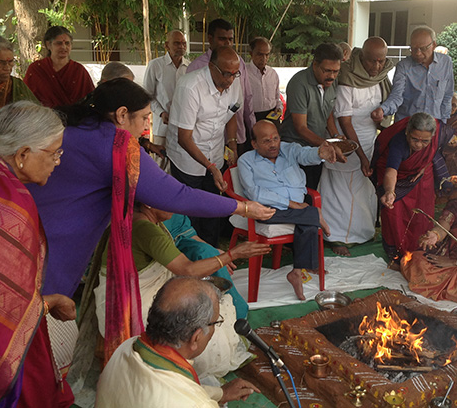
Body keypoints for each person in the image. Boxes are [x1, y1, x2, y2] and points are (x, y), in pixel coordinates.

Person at [27, 79, 274, 362]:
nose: (146, 127)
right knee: (35, 332)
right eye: (144, 118)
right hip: (52, 246)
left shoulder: (77, 130)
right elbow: (176, 195)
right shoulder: (113, 145)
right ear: (121, 115)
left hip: (30, 228)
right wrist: (242, 207)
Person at [0, 102, 75, 408]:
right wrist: (52, 302)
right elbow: (8, 306)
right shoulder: (11, 204)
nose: (58, 161)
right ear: (22, 155)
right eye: (54, 153)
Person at [95, 277, 260, 408]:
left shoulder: (127, 346)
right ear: (195, 337)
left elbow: (172, 391)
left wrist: (220, 394)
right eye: (215, 323)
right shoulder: (196, 405)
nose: (215, 329)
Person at [94, 202, 269, 325]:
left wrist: (219, 254)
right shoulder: (146, 230)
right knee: (204, 315)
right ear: (148, 203)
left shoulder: (144, 219)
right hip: (132, 304)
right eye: (169, 202)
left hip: (133, 292)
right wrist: (234, 254)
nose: (175, 207)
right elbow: (188, 269)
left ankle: (237, 311)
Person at [238, 120, 337, 300]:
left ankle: (296, 272)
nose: (273, 144)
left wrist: (318, 153)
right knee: (309, 216)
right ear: (254, 144)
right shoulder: (246, 161)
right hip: (268, 211)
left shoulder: (288, 150)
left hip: (298, 212)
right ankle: (315, 215)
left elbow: (305, 154)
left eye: (275, 138)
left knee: (306, 220)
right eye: (266, 141)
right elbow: (254, 193)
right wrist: (291, 203)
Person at [319, 37, 394, 256]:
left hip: (370, 137)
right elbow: (344, 120)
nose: (377, 66)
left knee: (363, 188)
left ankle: (362, 231)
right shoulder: (347, 77)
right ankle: (336, 236)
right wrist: (360, 155)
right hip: (346, 140)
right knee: (339, 190)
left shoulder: (380, 77)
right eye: (372, 61)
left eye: (381, 61)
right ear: (361, 58)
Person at [167, 45, 243, 247]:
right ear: (211, 67)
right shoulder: (190, 87)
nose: (230, 80)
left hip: (215, 155)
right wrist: (210, 167)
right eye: (227, 74)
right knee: (191, 212)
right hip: (187, 160)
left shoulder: (234, 82)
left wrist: (232, 145)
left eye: (235, 74)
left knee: (212, 208)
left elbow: (232, 113)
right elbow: (184, 138)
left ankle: (211, 254)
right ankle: (190, 260)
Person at [372, 112, 453, 269]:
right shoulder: (398, 142)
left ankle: (420, 252)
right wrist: (389, 192)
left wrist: (425, 164)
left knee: (422, 214)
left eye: (425, 141)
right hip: (397, 178)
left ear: (432, 137)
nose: (418, 145)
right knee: (393, 213)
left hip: (422, 176)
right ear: (407, 132)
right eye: (414, 139)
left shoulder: (438, 135)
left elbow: (439, 146)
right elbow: (391, 171)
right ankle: (397, 255)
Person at [280, 42, 345, 190]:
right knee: (297, 193)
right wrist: (329, 146)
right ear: (315, 64)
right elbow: (300, 128)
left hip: (317, 150)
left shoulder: (331, 82)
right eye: (327, 70)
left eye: (336, 71)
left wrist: (335, 135)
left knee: (312, 190)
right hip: (295, 150)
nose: (332, 76)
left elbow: (327, 111)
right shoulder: (299, 83)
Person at [186, 19, 255, 145]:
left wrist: (252, 129)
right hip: (204, 142)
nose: (227, 43)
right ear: (210, 39)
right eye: (222, 39)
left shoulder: (239, 63)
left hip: (237, 135)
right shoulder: (196, 68)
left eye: (230, 39)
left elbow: (246, 99)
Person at [370, 26, 454, 124]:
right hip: (407, 126)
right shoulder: (404, 66)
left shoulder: (446, 62)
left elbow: (447, 95)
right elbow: (397, 96)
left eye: (422, 48)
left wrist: (443, 123)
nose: (418, 53)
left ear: (433, 45)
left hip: (434, 125)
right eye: (413, 49)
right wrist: (383, 110)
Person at [24, 26, 95, 107]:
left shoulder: (79, 70)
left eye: (67, 43)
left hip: (75, 118)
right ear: (48, 45)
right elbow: (27, 99)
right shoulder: (36, 69)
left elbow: (89, 99)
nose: (64, 47)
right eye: (59, 43)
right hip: (44, 117)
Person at [143, 30, 189, 146]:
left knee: (182, 163)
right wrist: (161, 113)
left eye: (184, 43)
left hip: (184, 127)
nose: (181, 46)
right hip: (163, 127)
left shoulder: (190, 67)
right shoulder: (155, 66)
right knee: (160, 162)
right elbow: (147, 95)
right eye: (177, 43)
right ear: (167, 45)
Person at [246, 36, 282, 123]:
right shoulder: (244, 74)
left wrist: (279, 108)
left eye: (267, 54)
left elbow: (277, 97)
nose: (264, 58)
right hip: (252, 118)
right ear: (251, 54)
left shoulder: (272, 73)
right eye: (260, 54)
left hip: (272, 116)